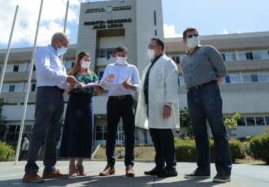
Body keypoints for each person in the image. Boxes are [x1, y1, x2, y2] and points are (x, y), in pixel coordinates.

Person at [22, 32, 78, 183]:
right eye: (65, 45)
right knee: (39, 131)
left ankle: (49, 169)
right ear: (57, 42)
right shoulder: (43, 51)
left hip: (58, 95)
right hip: (46, 93)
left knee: (53, 133)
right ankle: (30, 171)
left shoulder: (59, 59)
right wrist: (66, 77)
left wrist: (70, 85)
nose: (65, 48)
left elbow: (59, 80)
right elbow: (43, 70)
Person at [181, 27, 232, 183]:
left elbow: (221, 72)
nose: (194, 37)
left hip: (209, 90)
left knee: (218, 130)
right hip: (191, 94)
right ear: (184, 40)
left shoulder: (208, 50)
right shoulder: (184, 60)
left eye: (196, 35)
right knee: (200, 133)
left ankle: (224, 171)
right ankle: (203, 169)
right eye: (190, 36)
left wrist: (209, 87)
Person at [135, 38, 180, 178]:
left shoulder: (168, 63)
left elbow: (172, 84)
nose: (149, 49)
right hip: (151, 107)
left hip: (163, 107)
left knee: (166, 138)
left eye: (151, 46)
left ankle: (171, 167)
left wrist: (168, 104)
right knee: (156, 139)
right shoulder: (149, 66)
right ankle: (160, 166)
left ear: (159, 48)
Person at [59, 52, 103, 177]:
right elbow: (65, 92)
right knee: (73, 131)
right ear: (79, 60)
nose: (87, 61)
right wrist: (71, 87)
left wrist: (97, 88)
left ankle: (80, 163)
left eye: (89, 60)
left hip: (88, 103)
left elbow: (98, 91)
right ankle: (71, 164)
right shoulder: (71, 74)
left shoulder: (93, 75)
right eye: (85, 59)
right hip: (74, 103)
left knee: (85, 131)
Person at [99, 46, 141, 177]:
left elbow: (139, 85)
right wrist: (107, 80)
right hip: (113, 101)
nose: (121, 57)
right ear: (115, 55)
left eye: (123, 55)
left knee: (129, 133)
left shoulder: (132, 68)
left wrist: (130, 86)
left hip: (128, 101)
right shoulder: (109, 67)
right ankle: (110, 165)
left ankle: (129, 165)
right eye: (119, 55)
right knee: (111, 133)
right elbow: (102, 85)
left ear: (127, 55)